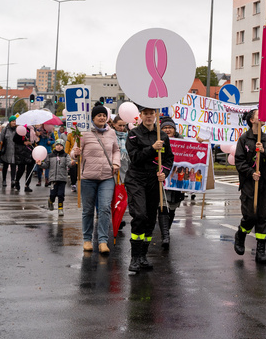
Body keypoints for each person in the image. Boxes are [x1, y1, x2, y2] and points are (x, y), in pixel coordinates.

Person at [125, 106, 173, 272]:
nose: (148, 116)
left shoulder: (163, 136)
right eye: (145, 113)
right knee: (140, 215)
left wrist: (164, 173)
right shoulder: (133, 134)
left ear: (155, 115)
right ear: (141, 116)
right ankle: (134, 258)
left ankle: (143, 257)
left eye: (151, 113)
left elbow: (168, 159)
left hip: (153, 180)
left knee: (151, 219)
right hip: (136, 179)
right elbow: (135, 158)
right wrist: (152, 148)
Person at [71, 104, 120, 255]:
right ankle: (87, 239)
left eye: (104, 115)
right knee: (88, 210)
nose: (102, 118)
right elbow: (73, 152)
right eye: (99, 115)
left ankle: (103, 241)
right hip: (87, 177)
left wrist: (116, 163)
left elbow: (116, 150)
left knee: (105, 208)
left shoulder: (112, 133)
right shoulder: (84, 133)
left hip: (107, 177)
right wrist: (76, 153)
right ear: (93, 118)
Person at [233, 108, 266, 265]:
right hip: (249, 183)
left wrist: (264, 151)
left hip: (264, 183)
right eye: (259, 114)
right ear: (252, 120)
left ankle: (261, 251)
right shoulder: (244, 139)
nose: (264, 116)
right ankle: (241, 234)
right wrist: (251, 172)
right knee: (251, 215)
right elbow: (239, 161)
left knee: (264, 216)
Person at [158, 119, 185, 250]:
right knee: (162, 205)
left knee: (172, 207)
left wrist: (200, 142)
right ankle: (165, 235)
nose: (168, 130)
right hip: (161, 178)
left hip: (175, 181)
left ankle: (166, 230)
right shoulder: (158, 140)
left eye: (170, 127)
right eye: (165, 127)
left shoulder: (182, 141)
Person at [41, 139, 76, 216]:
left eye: (60, 145)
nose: (59, 147)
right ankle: (50, 201)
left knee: (61, 194)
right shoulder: (50, 155)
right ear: (55, 146)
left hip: (62, 178)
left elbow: (68, 163)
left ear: (63, 147)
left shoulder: (66, 155)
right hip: (53, 179)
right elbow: (46, 165)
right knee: (53, 194)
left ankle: (60, 209)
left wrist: (72, 163)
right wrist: (40, 163)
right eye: (57, 145)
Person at [0, 117, 19, 188]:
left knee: (14, 166)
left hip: (15, 151)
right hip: (6, 151)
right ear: (10, 122)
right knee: (5, 166)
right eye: (13, 121)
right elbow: (0, 140)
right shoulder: (5, 130)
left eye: (15, 121)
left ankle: (13, 180)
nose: (14, 122)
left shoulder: (18, 129)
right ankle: (4, 180)